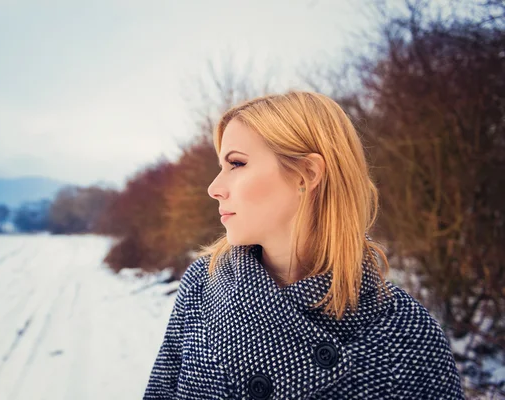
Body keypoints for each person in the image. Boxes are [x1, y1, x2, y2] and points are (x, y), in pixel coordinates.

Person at [143, 91, 464, 399]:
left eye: (236, 164)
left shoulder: (408, 336)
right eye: (221, 166)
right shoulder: (203, 284)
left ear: (306, 174)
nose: (214, 188)